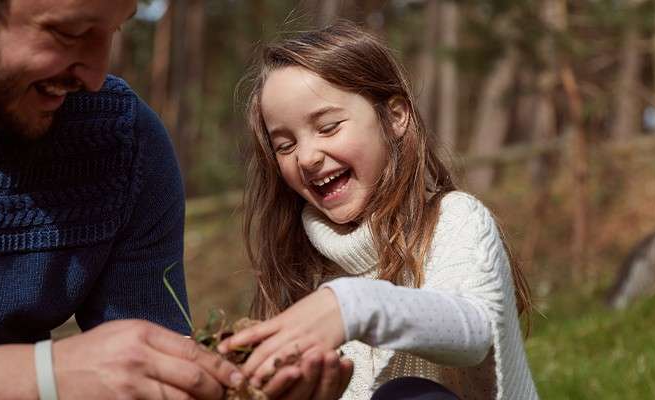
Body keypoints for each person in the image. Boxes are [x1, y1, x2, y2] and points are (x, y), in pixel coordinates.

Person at [0, 0, 349, 398]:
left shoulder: (121, 145)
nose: (94, 77)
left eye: (112, 31)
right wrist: (42, 377)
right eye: (68, 32)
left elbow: (147, 375)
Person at [219, 22, 539, 399]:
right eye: (285, 146)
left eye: (328, 127)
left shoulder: (456, 219)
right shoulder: (300, 271)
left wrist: (352, 307)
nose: (306, 157)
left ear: (395, 116)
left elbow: (474, 327)